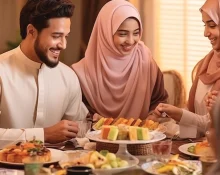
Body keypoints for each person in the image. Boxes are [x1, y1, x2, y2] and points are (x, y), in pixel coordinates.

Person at [0, 0, 88, 147]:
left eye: (65, 36)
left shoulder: (68, 77)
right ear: (31, 31)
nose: (63, 45)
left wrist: (96, 126)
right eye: (56, 36)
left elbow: (78, 132)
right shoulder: (2, 71)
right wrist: (44, 135)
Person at [71, 0, 167, 120]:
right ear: (105, 33)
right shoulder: (80, 72)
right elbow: (80, 112)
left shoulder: (146, 61)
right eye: (122, 34)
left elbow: (159, 100)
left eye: (136, 33)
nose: (131, 41)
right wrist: (96, 120)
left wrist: (154, 114)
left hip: (142, 136)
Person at [153, 0, 220, 138]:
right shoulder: (205, 64)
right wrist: (167, 118)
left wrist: (179, 114)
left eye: (212, 25)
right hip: (201, 150)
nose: (205, 33)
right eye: (205, 25)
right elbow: (196, 117)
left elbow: (211, 123)